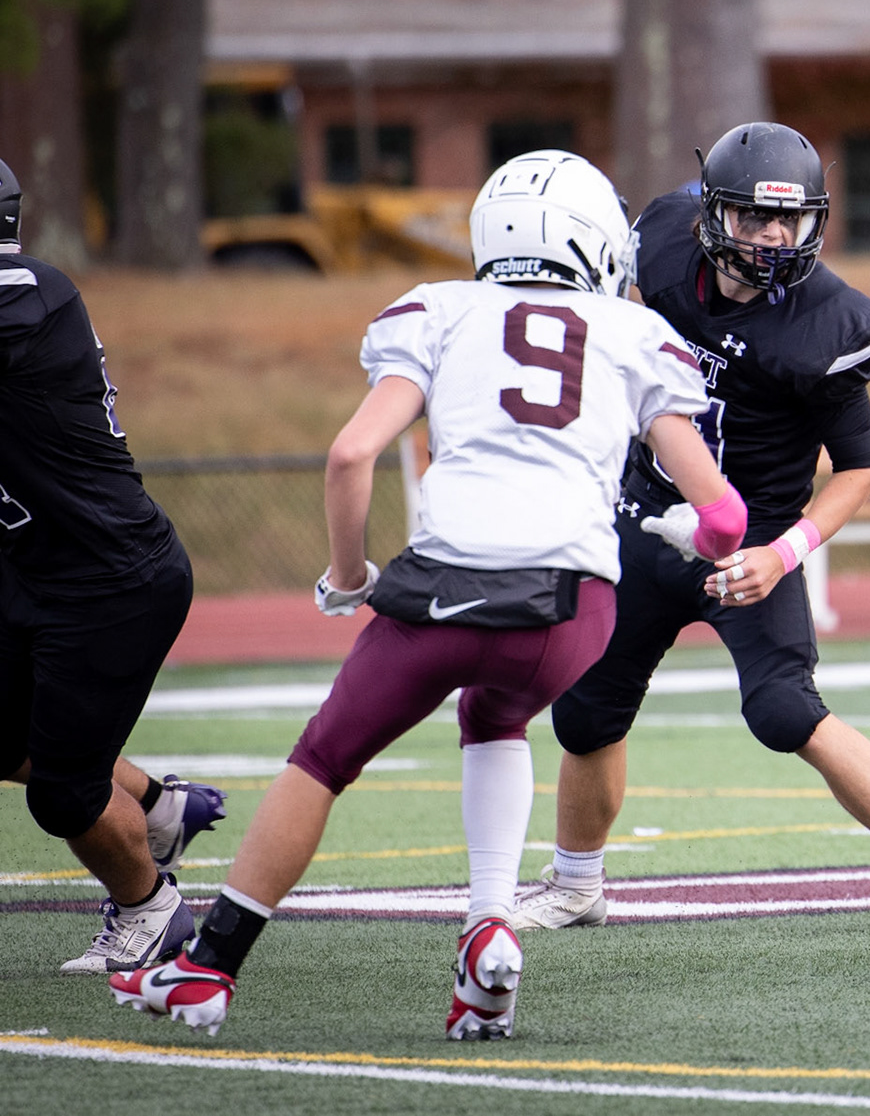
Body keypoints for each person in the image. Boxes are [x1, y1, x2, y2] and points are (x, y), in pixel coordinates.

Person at [111, 151, 745, 1037]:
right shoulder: (634, 333)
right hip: (575, 609)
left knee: (324, 759)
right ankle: (488, 930)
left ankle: (207, 968)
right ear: (597, 240)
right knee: (498, 716)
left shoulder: (439, 310)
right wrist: (696, 536)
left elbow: (349, 455)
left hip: (449, 586)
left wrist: (347, 575)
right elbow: (723, 512)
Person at [512, 122, 870, 933]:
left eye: (791, 222)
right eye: (753, 219)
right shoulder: (661, 242)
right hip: (644, 510)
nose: (773, 239)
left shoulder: (830, 323)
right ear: (711, 215)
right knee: (588, 711)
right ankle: (576, 885)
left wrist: (784, 552)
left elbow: (858, 467)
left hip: (752, 538)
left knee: (784, 709)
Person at [0, 156, 227, 976]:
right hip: (38, 563)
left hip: (110, 577)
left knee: (61, 791)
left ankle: (152, 911)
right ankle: (161, 807)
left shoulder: (28, 291)